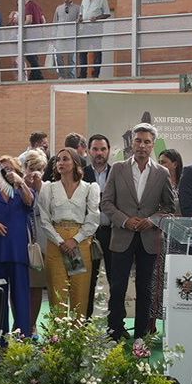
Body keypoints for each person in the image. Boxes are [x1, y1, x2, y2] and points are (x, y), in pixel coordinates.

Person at [100, 123, 174, 339]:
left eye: (147, 142)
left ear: (153, 145)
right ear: (132, 143)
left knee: (145, 290)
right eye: (138, 141)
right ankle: (114, 330)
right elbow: (106, 203)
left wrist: (151, 221)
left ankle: (141, 335)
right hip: (122, 236)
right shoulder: (118, 168)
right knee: (117, 287)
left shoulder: (162, 173)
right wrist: (125, 221)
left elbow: (169, 208)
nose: (142, 145)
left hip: (149, 239)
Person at [37, 146, 100, 318]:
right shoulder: (48, 188)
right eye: (58, 160)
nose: (60, 163)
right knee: (57, 293)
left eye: (65, 159)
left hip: (80, 243)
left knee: (80, 293)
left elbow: (93, 219)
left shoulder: (89, 188)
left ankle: (77, 340)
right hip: (56, 243)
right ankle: (58, 340)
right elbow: (44, 220)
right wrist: (60, 241)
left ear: (75, 163)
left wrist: (75, 239)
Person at [0, 155, 37, 336]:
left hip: (18, 253)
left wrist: (21, 183)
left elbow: (31, 202)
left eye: (9, 168)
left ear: (17, 171)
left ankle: (23, 338)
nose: (6, 172)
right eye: (2, 169)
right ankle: (0, 340)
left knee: (21, 299)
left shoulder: (23, 193)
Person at [85, 133, 115, 312]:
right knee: (88, 280)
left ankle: (116, 324)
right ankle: (84, 322)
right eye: (95, 149)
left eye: (103, 149)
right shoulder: (81, 173)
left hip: (112, 232)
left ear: (109, 151)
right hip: (88, 234)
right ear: (89, 151)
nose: (99, 153)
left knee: (116, 280)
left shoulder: (117, 172)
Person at [78, 0, 111, 78]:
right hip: (85, 28)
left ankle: (96, 73)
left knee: (97, 51)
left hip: (96, 28)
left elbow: (107, 14)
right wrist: (80, 18)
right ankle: (83, 73)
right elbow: (81, 13)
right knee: (83, 51)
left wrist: (96, 18)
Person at [53, 0, 80, 79]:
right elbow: (55, 22)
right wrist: (53, 36)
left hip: (72, 35)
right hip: (60, 35)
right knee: (58, 56)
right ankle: (62, 75)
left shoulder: (77, 8)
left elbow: (79, 22)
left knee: (71, 58)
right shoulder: (58, 8)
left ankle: (71, 77)